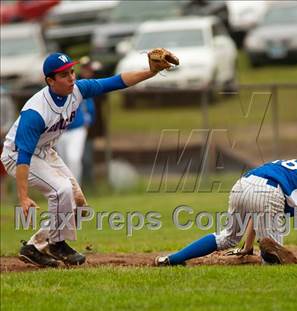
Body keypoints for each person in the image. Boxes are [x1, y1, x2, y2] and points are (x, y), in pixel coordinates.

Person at [1, 49, 178, 267]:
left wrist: (150, 72)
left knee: (77, 202)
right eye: (64, 75)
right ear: (50, 80)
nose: (71, 78)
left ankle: (34, 247)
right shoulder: (35, 112)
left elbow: (116, 82)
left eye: (72, 72)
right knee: (61, 189)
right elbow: (24, 157)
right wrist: (23, 197)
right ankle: (57, 244)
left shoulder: (77, 90)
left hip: (45, 151)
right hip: (18, 156)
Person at [155, 140, 297, 266]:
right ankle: (268, 251)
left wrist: (247, 247)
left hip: (242, 185)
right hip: (268, 191)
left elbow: (256, 209)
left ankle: (172, 259)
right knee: (275, 263)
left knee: (228, 237)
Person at [56, 56, 97, 183]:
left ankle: (75, 191)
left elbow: (89, 108)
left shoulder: (78, 87)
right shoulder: (51, 91)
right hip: (60, 131)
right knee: (63, 163)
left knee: (74, 158)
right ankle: (65, 191)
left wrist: (87, 122)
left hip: (77, 129)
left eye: (71, 71)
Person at [1, 86, 16, 200]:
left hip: (2, 139)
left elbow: (10, 117)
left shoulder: (4, 95)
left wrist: (3, 129)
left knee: (2, 171)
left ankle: (3, 196)